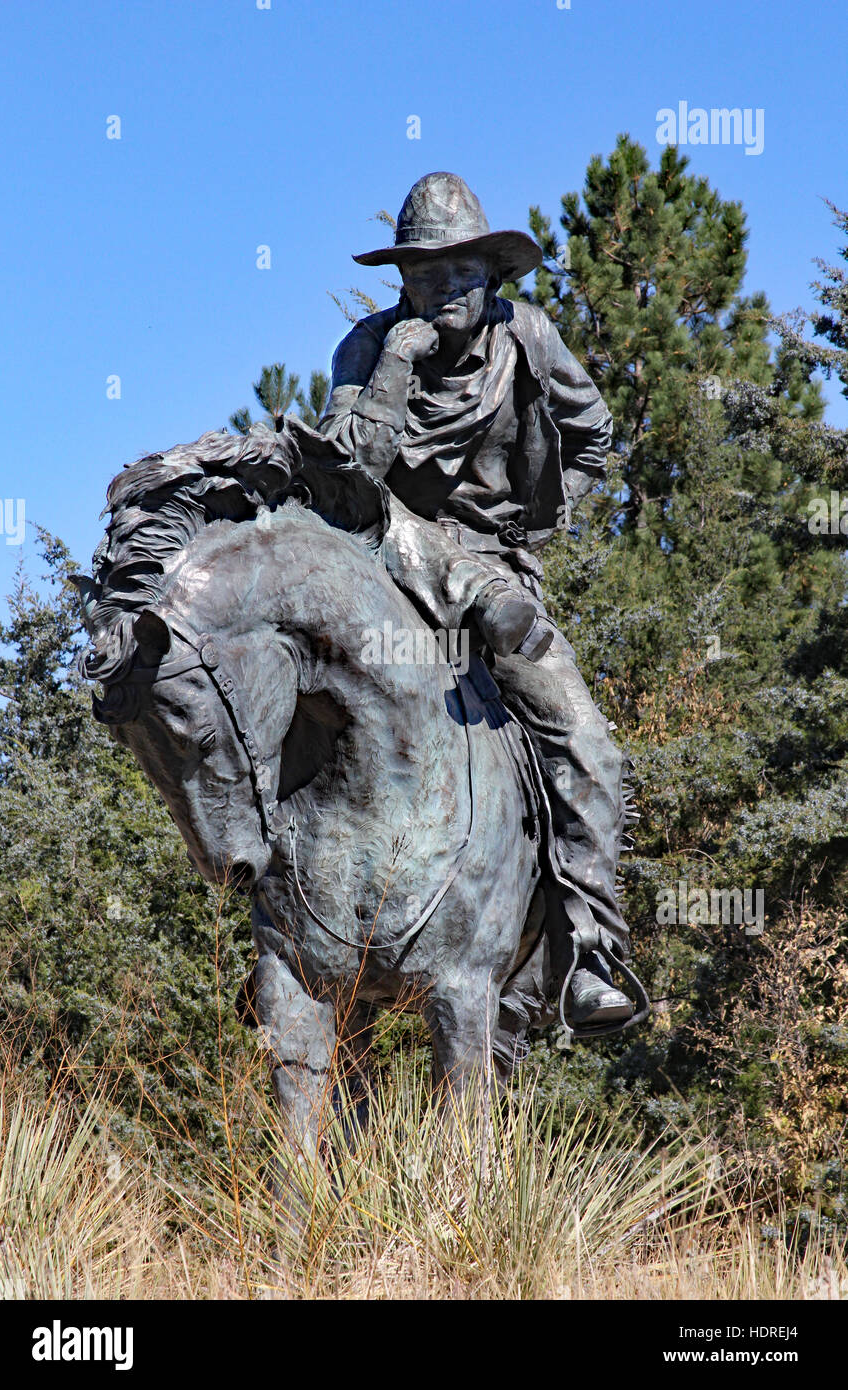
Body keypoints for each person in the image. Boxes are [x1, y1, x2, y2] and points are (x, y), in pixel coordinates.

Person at [319, 172, 640, 1029]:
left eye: (464, 271)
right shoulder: (367, 347)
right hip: (388, 569)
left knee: (589, 745)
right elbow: (346, 475)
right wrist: (394, 366)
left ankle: (588, 949)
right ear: (403, 284)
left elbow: (594, 433)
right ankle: (283, 940)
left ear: (491, 276)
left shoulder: (527, 336)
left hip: (498, 587)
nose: (448, 287)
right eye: (427, 273)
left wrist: (539, 524)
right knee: (277, 702)